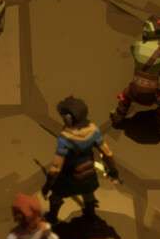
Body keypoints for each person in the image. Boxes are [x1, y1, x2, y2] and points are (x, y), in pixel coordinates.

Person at [45, 95, 117, 223]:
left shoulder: (65, 138)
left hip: (69, 175)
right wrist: (113, 170)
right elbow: (107, 153)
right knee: (88, 193)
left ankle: (52, 216)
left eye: (63, 115)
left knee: (56, 197)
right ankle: (90, 216)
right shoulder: (93, 130)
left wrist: (48, 184)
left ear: (69, 117)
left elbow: (56, 166)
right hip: (88, 171)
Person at [111, 15, 160, 130]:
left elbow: (147, 58)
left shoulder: (136, 46)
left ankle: (118, 117)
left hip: (133, 90)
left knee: (125, 96)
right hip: (150, 95)